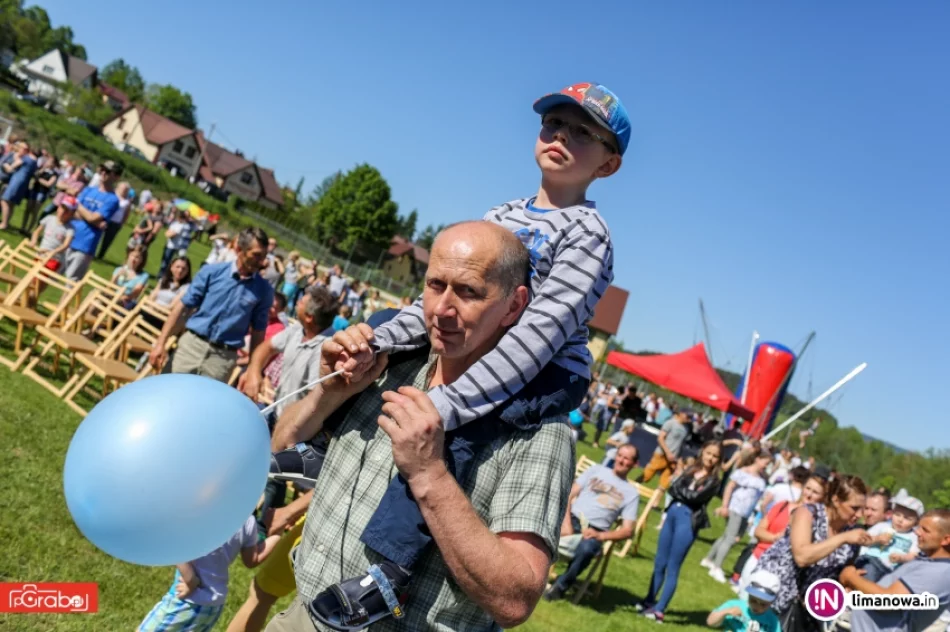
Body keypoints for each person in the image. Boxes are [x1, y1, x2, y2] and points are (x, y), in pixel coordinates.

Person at [262, 223, 574, 632]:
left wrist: (429, 474)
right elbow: (282, 444)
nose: (442, 309)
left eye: (468, 291)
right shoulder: (387, 362)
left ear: (514, 306)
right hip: (305, 616)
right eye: (435, 285)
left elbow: (515, 600)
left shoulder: (536, 428)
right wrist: (328, 393)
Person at [148, 227, 273, 382]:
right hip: (192, 346)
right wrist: (161, 343)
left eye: (264, 257)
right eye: (256, 255)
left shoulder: (263, 290)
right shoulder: (212, 272)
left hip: (222, 359)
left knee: (203, 406)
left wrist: (252, 370)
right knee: (167, 391)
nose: (261, 262)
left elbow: (258, 332)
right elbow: (182, 308)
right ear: (239, 249)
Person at [753, 474, 872, 630]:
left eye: (862, 509)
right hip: (774, 597)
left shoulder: (852, 534)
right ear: (836, 500)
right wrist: (842, 538)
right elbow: (801, 557)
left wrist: (850, 580)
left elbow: (838, 573)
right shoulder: (808, 513)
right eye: (854, 508)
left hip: (808, 609)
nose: (859, 515)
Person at [138, 515, 281, 632]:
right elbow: (252, 560)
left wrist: (190, 579)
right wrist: (278, 534)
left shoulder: (203, 509)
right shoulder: (247, 519)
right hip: (214, 605)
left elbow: (175, 545)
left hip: (190, 599)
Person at [635, 440, 723, 623]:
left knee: (673, 567)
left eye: (715, 456)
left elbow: (695, 497)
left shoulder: (714, 481)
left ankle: (660, 609)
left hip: (688, 520)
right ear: (702, 452)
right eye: (709, 453)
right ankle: (649, 600)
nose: (711, 458)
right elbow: (672, 487)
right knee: (659, 562)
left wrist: (679, 490)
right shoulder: (690, 470)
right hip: (673, 513)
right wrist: (680, 490)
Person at [544, 444, 641, 602]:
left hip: (594, 531)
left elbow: (628, 531)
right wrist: (566, 522)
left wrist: (600, 535)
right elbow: (568, 494)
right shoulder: (596, 470)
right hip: (572, 518)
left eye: (626, 458)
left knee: (587, 549)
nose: (621, 460)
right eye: (619, 455)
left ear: (634, 464)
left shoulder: (631, 494)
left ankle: (560, 587)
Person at [841, 509, 950, 632]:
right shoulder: (929, 562)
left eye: (925, 530)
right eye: (919, 527)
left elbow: (887, 601)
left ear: (946, 540)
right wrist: (860, 585)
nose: (917, 532)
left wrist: (851, 577)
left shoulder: (938, 571)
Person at [735, 473, 826, 595]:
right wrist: (776, 537)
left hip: (784, 572)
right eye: (808, 488)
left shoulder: (817, 522)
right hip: (758, 558)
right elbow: (759, 530)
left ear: (822, 497)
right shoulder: (783, 505)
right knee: (744, 601)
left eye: (815, 492)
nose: (809, 494)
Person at [63, 161, 123, 280]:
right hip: (68, 236)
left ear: (116, 177)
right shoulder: (89, 190)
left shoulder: (112, 199)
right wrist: (92, 220)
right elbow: (72, 212)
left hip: (85, 244)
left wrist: (77, 203)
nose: (103, 173)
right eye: (102, 170)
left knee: (71, 283)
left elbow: (92, 217)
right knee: (48, 273)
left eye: (108, 171)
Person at [854, 490, 924, 582]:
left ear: (916, 522)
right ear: (892, 513)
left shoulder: (913, 537)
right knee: (867, 578)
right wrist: (877, 539)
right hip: (873, 560)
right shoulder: (882, 526)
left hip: (893, 570)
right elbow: (865, 540)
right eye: (897, 514)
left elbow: (913, 555)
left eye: (907, 518)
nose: (900, 520)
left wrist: (902, 558)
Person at [707, 570, 782, 632]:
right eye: (753, 600)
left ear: (771, 602)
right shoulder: (734, 605)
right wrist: (725, 612)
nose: (757, 606)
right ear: (748, 595)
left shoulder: (772, 620)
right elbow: (710, 622)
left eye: (763, 604)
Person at [640, 409, 692, 490]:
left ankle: (654, 502)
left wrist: (679, 458)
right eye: (687, 415)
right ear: (681, 413)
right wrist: (668, 453)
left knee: (665, 483)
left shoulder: (686, 429)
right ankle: (633, 488)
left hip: (673, 459)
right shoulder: (670, 423)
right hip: (662, 454)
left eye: (690, 416)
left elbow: (681, 444)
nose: (689, 418)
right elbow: (660, 438)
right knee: (647, 475)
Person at [30, 195, 77, 273]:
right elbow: (36, 231)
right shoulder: (49, 219)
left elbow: (66, 245)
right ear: (58, 207)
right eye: (62, 208)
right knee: (31, 276)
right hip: (40, 253)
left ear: (71, 214)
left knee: (40, 280)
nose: (63, 212)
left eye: (67, 211)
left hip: (54, 259)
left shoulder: (70, 228)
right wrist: (33, 241)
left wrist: (53, 252)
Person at [0, 141, 38, 231]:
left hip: (17, 181)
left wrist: (7, 165)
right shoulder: (34, 160)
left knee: (4, 201)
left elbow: (11, 168)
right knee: (11, 204)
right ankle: (6, 222)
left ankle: (4, 223)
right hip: (23, 183)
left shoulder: (26, 158)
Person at [97, 181, 131, 259]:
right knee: (98, 235)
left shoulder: (127, 201)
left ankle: (101, 255)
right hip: (105, 218)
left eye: (125, 189)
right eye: (122, 188)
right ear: (118, 188)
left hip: (115, 222)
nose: (123, 190)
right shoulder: (112, 195)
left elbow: (126, 214)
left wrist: (122, 223)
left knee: (108, 240)